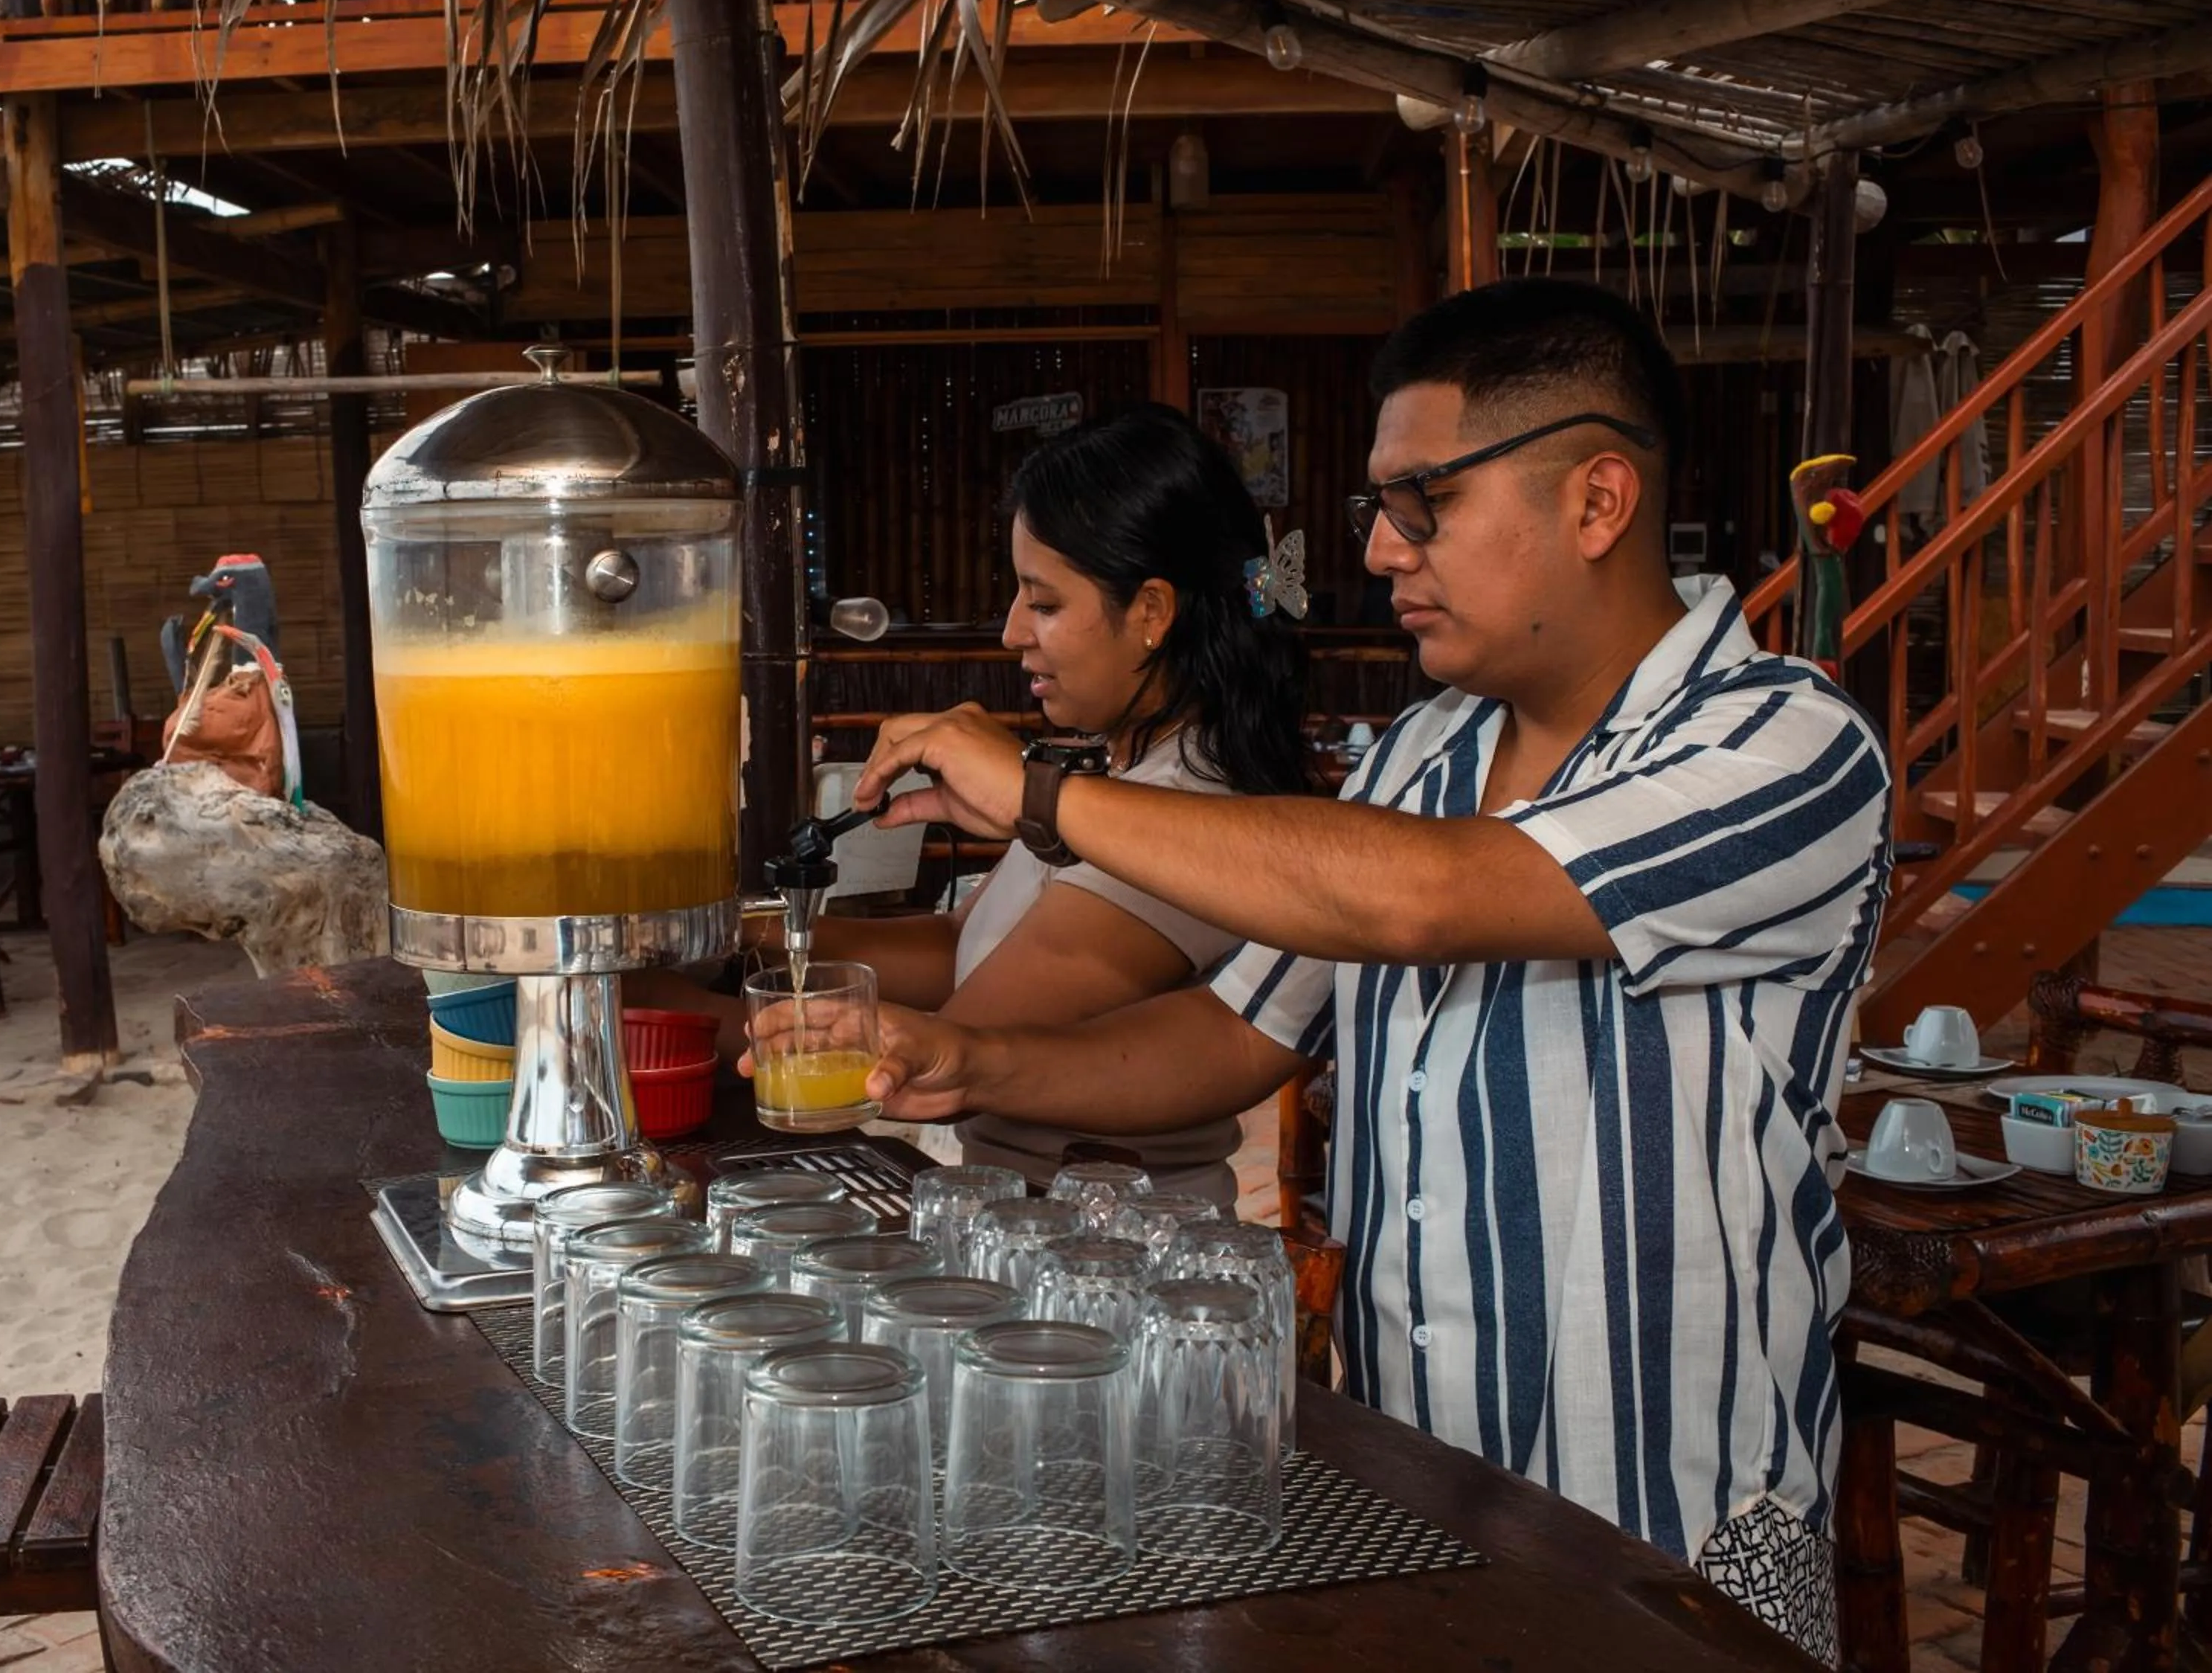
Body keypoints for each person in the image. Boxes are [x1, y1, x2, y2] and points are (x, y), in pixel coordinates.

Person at [796, 279, 1893, 1658]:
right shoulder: (1421, 754)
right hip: (1414, 1496)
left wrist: (1039, 796)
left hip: (1669, 1522)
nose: (1380, 548)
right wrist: (975, 1062)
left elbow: (1430, 902)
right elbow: (1237, 1031)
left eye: (1421, 502)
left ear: (1597, 501)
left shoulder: (1785, 746)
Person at [669, 402, 1314, 1203]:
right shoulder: (1108, 779)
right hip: (1014, 1210)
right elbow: (957, 947)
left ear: (1151, 613)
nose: (1012, 632)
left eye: (1043, 603)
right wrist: (737, 934)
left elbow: (951, 1037)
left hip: (1097, 1244)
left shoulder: (1186, 809)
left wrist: (665, 1006)